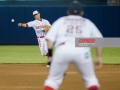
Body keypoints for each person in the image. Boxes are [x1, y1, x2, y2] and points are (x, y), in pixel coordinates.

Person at [43, 0, 103, 90]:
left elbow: (49, 39)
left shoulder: (61, 21)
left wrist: (50, 56)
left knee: (52, 81)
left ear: (68, 12)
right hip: (82, 52)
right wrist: (98, 57)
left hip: (62, 50)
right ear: (82, 13)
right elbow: (99, 40)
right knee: (91, 80)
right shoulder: (87, 22)